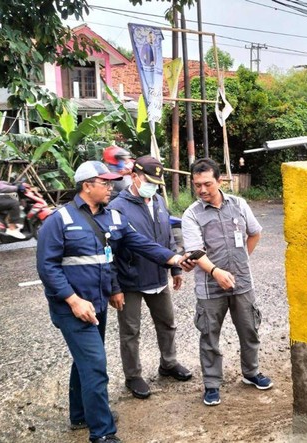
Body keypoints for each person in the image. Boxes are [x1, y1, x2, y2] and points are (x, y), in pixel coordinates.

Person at [36, 161, 194, 443]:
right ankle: (102, 434)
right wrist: (73, 300)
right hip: (72, 308)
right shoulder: (59, 220)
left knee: (83, 362)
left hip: (95, 305)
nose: (111, 187)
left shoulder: (112, 218)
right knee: (96, 365)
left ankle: (81, 415)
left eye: (111, 183)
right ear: (87, 186)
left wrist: (174, 260)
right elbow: (48, 268)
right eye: (105, 183)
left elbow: (140, 243)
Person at [181, 158, 271, 407]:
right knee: (209, 336)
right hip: (209, 288)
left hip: (242, 283)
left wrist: (242, 261)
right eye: (197, 185)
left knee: (249, 329)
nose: (202, 190)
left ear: (220, 181)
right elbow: (195, 252)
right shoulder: (191, 214)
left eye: (207, 184)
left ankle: (251, 373)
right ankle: (211, 384)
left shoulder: (239, 204)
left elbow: (255, 232)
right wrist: (216, 272)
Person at [107, 156, 192, 400]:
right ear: (134, 177)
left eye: (157, 182)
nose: (153, 186)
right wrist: (114, 287)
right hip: (130, 280)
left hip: (158, 276)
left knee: (167, 323)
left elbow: (168, 236)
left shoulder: (158, 201)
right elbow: (110, 251)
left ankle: (168, 363)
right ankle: (133, 376)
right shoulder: (118, 207)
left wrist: (175, 269)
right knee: (130, 331)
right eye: (148, 181)